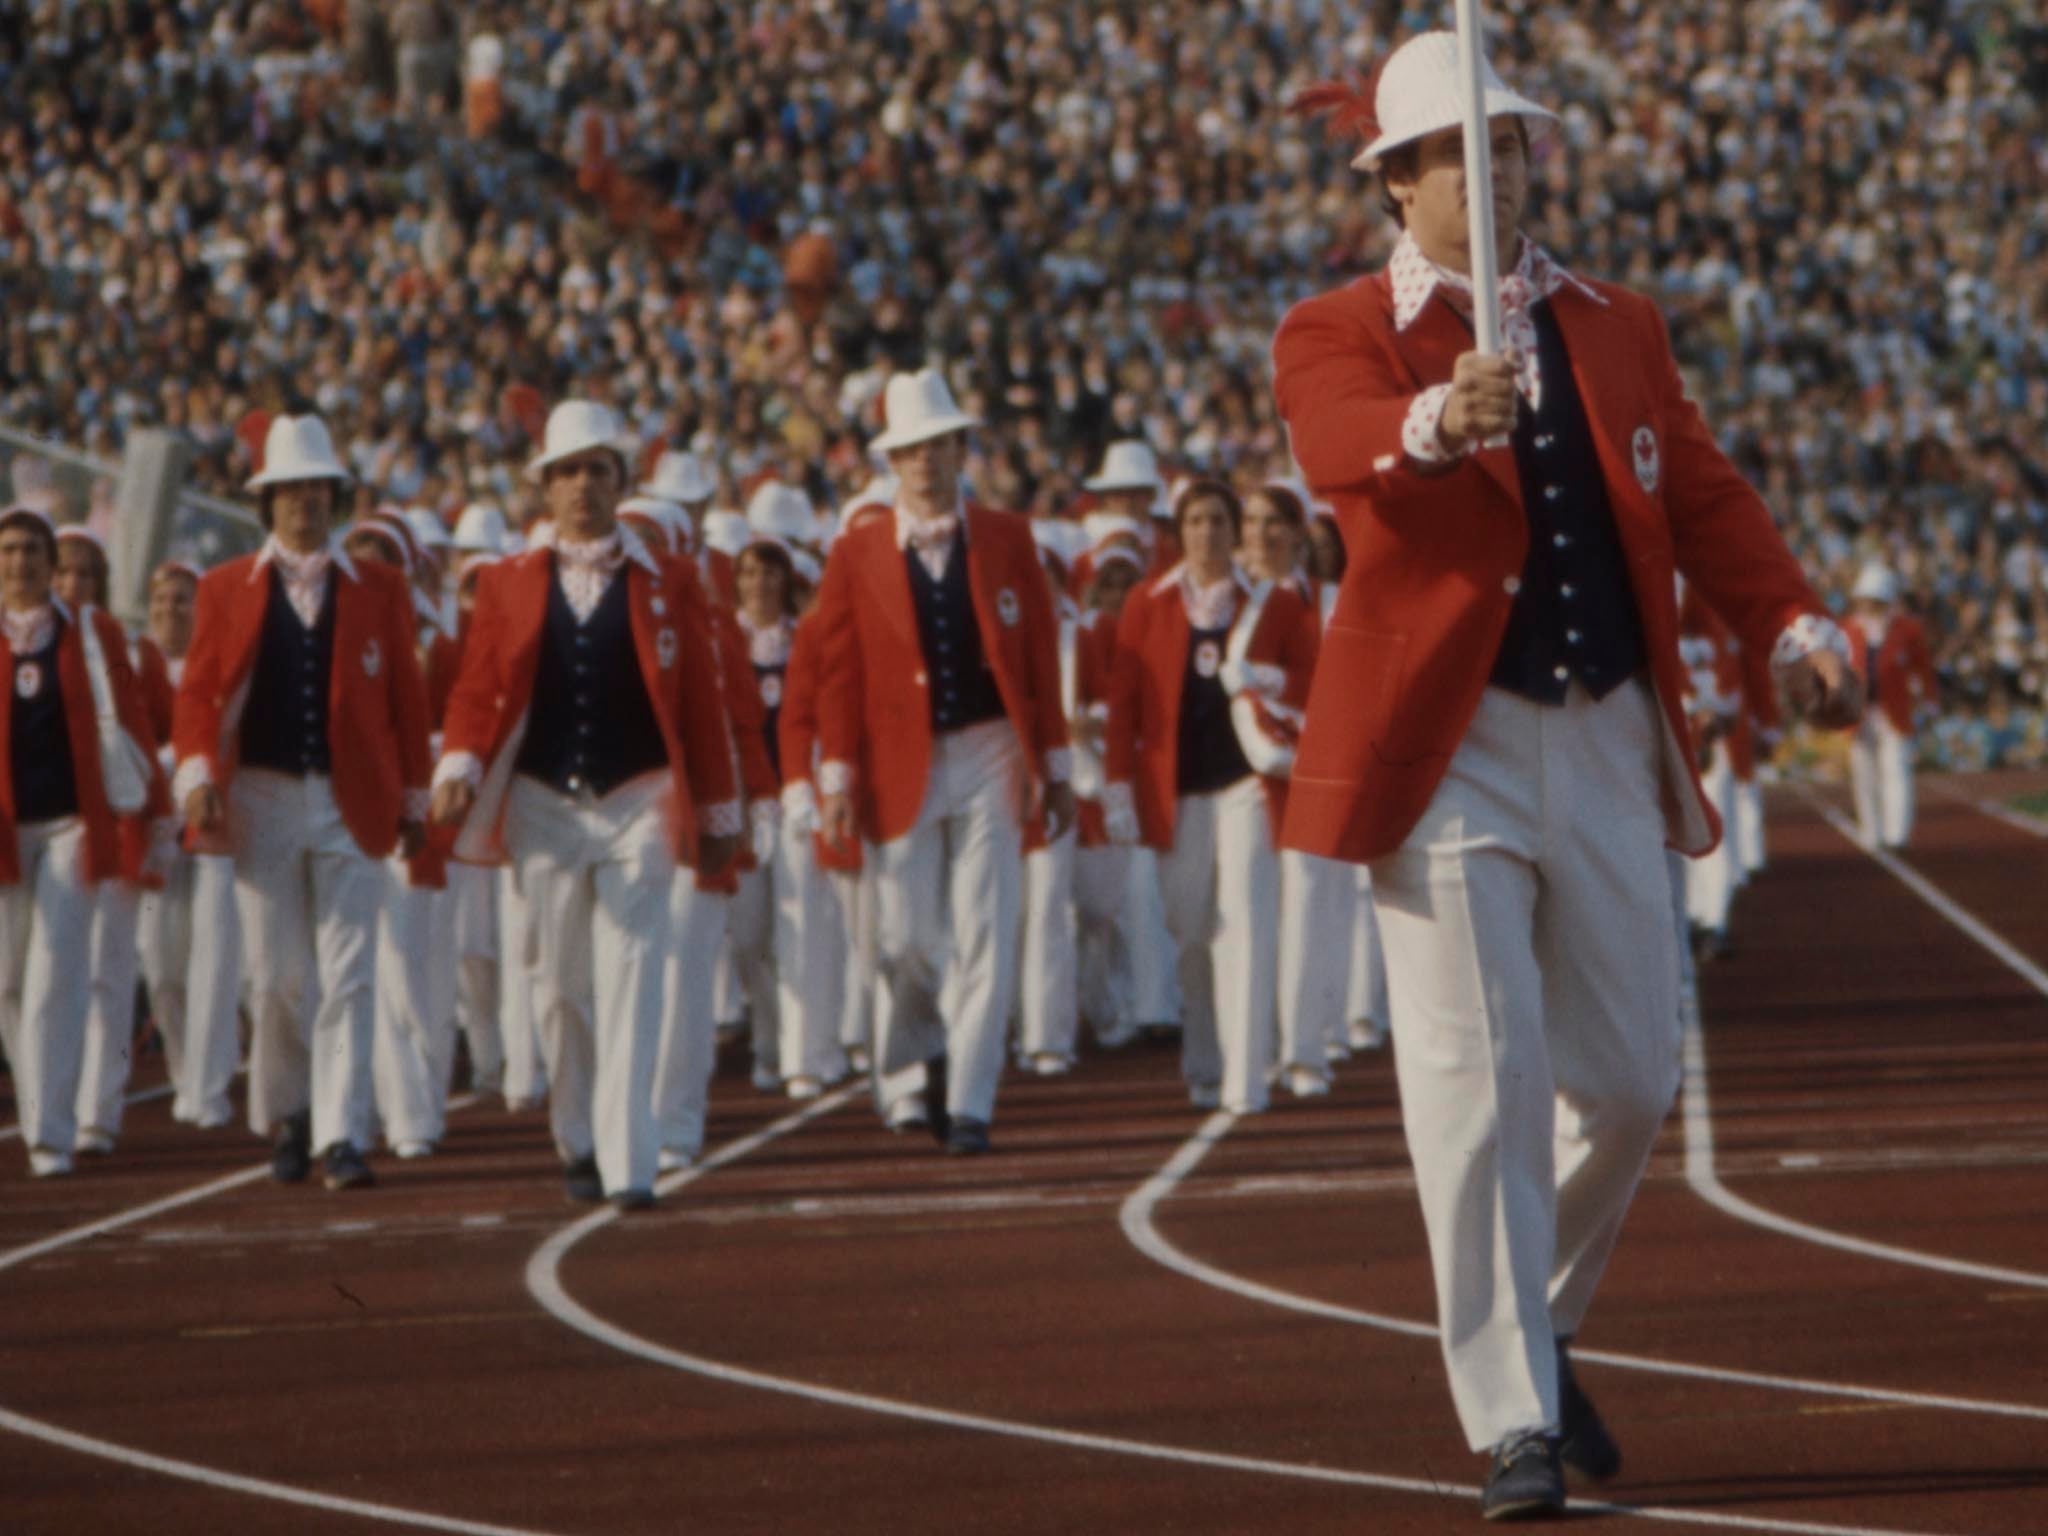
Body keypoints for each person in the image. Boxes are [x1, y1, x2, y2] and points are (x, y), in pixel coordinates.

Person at [1276, 33, 1862, 1516]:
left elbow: (1705, 491)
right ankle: (1510, 1419)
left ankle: (1533, 1325)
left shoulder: (1618, 323)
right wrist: (1430, 421)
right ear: (1396, 185)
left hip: (1605, 724)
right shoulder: (1335, 325)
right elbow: (1332, 443)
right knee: (1479, 1088)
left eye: (1518, 144)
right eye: (1465, 152)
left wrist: (1789, 616)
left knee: (1628, 1080)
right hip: (1447, 743)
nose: (1503, 170)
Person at [430, 401, 741, 1209]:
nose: (581, 487)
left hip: (638, 795)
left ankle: (630, 1160)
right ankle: (576, 1136)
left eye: (597, 470)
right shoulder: (505, 581)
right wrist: (459, 760)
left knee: (634, 974)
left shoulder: (671, 579)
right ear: (543, 488)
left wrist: (717, 813)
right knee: (561, 988)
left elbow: (700, 702)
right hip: (542, 801)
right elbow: (478, 685)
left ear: (621, 482)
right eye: (566, 472)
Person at [812, 369, 1073, 1156]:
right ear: (892, 462)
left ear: (961, 449)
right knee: (907, 939)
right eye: (911, 449)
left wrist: (1054, 767)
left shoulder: (1006, 536)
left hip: (991, 745)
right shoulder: (855, 551)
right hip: (898, 758)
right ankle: (909, 1069)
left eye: (939, 445)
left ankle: (970, 1100)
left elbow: (1035, 659)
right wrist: (837, 779)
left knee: (987, 926)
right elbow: (838, 673)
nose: (926, 461)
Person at [176, 416, 433, 1193]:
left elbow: (406, 701)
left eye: (317, 489)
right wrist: (196, 778)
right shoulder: (224, 589)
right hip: (262, 794)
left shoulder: (381, 588)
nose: (305, 504)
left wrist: (414, 799)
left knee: (350, 973)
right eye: (290, 490)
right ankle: (290, 1113)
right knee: (280, 976)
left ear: (335, 497)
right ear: (268, 501)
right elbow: (197, 694)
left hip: (352, 798)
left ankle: (342, 1134)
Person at [1103, 479, 1317, 1114]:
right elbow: (1124, 703)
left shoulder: (1270, 603)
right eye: (1195, 520)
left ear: (1234, 529)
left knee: (1245, 924)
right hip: (1179, 790)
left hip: (1246, 785)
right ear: (1179, 529)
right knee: (1191, 929)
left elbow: (1311, 676)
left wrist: (1271, 677)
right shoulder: (1147, 602)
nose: (1208, 532)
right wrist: (1118, 784)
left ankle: (1245, 1080)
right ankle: (1205, 1059)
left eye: (1219, 520)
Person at [0, 505, 164, 1177]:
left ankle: (49, 1129)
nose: (20, 564)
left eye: (32, 551)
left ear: (50, 560)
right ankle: (46, 1109)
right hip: (6, 835)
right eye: (8, 551)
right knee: (8, 983)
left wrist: (148, 815)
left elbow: (130, 724)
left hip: (72, 827)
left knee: (54, 978)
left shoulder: (91, 633)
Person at [1844, 563, 1937, 849]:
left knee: (1895, 769)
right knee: (1863, 772)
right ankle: (1870, 832)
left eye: (1873, 599)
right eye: (1864, 599)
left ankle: (1897, 833)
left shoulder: (1907, 629)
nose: (1867, 604)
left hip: (1893, 710)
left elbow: (1923, 668)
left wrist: (1930, 702)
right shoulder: (1848, 628)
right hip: (1859, 712)